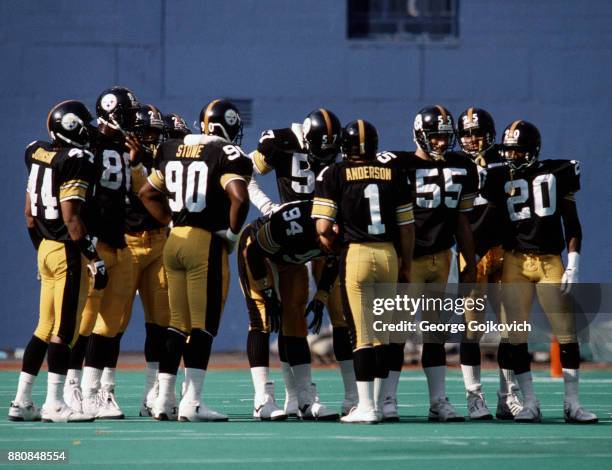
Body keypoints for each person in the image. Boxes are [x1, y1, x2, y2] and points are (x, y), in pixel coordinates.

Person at [139, 99, 252, 421]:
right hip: (204, 243)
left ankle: (163, 399)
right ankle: (192, 403)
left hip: (174, 241)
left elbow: (147, 192)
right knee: (202, 327)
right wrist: (231, 234)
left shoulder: (172, 149)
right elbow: (240, 197)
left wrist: (170, 221)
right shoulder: (226, 154)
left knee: (176, 324)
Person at [483, 120, 597, 424]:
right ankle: (530, 402)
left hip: (550, 260)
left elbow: (571, 222)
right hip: (515, 261)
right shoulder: (497, 176)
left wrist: (573, 261)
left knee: (566, 333)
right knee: (515, 335)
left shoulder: (559, 172)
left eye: (518, 152)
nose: (511, 157)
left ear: (532, 151)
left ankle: (572, 403)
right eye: (508, 151)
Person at [9, 100, 106, 422]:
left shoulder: (36, 151)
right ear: (72, 128)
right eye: (83, 125)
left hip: (46, 247)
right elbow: (72, 217)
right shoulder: (77, 160)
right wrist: (93, 257)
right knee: (64, 331)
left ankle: (22, 401)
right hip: (67, 250)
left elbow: (27, 213)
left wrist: (41, 248)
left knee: (44, 327)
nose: (89, 131)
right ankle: (54, 403)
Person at [313, 119, 415, 423]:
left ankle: (366, 406)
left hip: (356, 253)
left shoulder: (333, 173)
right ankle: (384, 404)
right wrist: (405, 264)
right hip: (388, 254)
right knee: (383, 335)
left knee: (361, 335)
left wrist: (330, 240)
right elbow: (407, 227)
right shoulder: (393, 172)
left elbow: (321, 226)